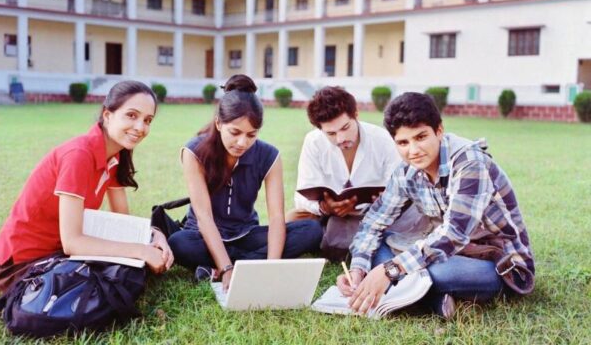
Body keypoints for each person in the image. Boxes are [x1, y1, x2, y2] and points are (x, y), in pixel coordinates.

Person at [337, 92, 535, 319]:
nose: (413, 150)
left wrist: (390, 270)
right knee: (379, 242)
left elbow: (454, 234)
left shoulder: (469, 163)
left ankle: (415, 290)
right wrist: (358, 270)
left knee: (435, 270)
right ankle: (435, 298)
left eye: (420, 137)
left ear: (439, 130)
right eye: (403, 142)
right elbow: (373, 223)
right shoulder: (405, 172)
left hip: (496, 262)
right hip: (445, 253)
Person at [0, 81, 174, 295]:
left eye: (147, 120)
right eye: (132, 115)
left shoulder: (114, 156)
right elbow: (73, 243)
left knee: (126, 274)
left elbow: (123, 220)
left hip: (58, 253)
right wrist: (141, 251)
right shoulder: (79, 155)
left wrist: (154, 236)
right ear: (107, 115)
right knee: (118, 280)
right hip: (22, 264)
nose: (140, 127)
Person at [168, 75, 322, 290]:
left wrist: (272, 266)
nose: (242, 142)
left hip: (245, 234)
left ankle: (216, 269)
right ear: (219, 123)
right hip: (202, 235)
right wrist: (227, 269)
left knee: (311, 230)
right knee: (178, 243)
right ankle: (234, 266)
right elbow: (203, 216)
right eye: (235, 132)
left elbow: (277, 216)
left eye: (252, 135)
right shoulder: (194, 152)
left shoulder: (269, 155)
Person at [287, 86, 423, 261]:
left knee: (414, 218)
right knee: (292, 220)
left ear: (356, 114)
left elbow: (401, 190)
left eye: (345, 127)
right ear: (320, 129)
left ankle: (337, 240)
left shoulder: (382, 139)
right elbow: (302, 197)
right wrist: (324, 207)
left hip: (374, 214)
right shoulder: (313, 142)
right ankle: (333, 236)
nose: (341, 138)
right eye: (331, 133)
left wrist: (382, 201)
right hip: (327, 214)